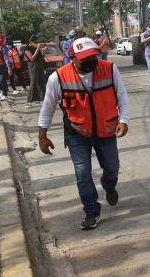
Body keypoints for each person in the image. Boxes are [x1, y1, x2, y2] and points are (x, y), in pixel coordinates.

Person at [37, 37, 129, 230]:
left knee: (112, 167)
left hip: (106, 129)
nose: (91, 62)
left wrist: (124, 120)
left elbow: (121, 94)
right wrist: (42, 136)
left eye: (93, 57)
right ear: (72, 58)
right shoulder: (59, 77)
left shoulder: (110, 68)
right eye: (85, 59)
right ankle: (91, 210)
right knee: (83, 172)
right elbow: (47, 108)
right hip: (77, 132)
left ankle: (109, 185)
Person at [22, 35, 47, 108]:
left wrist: (42, 50)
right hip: (33, 65)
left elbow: (42, 57)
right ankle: (28, 101)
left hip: (40, 63)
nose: (37, 44)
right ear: (31, 42)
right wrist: (37, 49)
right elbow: (32, 58)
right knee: (33, 82)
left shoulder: (37, 48)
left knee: (41, 82)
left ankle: (41, 99)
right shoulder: (27, 48)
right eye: (36, 42)